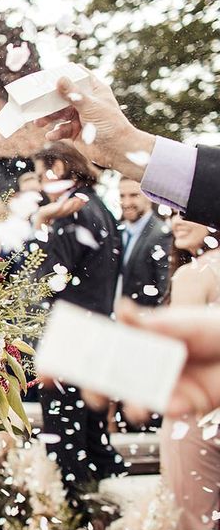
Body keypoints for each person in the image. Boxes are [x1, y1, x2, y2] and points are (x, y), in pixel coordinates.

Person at [32, 142, 126, 491]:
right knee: (90, 426)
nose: (41, 182)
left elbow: (49, 279)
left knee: (63, 428)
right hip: (97, 328)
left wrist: (39, 224)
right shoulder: (99, 206)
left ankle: (72, 513)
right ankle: (102, 504)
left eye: (42, 173)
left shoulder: (67, 211)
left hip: (70, 332)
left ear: (59, 166)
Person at [34, 71, 220, 229]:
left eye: (41, 176)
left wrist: (39, 222)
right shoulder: (90, 206)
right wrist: (123, 146)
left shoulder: (74, 209)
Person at [157, 216, 220, 530]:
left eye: (187, 213)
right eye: (172, 214)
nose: (176, 222)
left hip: (196, 416)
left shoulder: (193, 274)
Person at [117, 178, 171, 306]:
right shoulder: (116, 231)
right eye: (122, 196)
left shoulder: (162, 234)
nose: (126, 202)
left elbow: (164, 288)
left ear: (149, 196)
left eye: (134, 195)